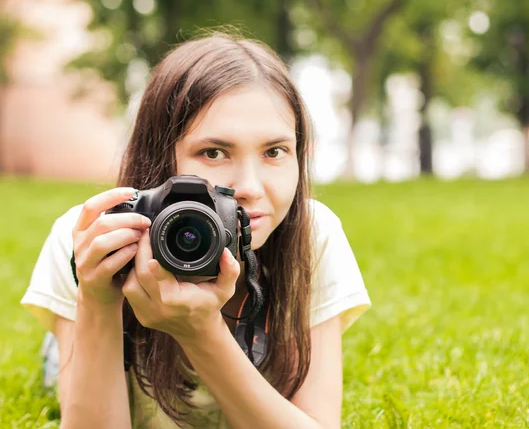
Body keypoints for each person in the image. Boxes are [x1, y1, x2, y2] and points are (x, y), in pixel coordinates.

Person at [20, 32, 371, 428]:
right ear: (160, 159)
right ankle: (59, 341)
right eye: (213, 153)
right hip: (88, 336)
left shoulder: (310, 235)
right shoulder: (91, 236)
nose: (251, 187)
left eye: (274, 152)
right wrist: (99, 301)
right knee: (58, 362)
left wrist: (201, 332)